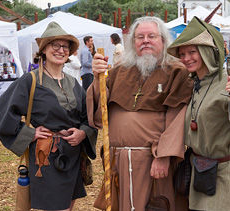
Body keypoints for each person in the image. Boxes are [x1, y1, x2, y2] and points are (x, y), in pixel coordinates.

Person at [87, 16, 193, 210]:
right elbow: (99, 108)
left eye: (151, 36)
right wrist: (96, 79)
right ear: (132, 42)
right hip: (118, 161)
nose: (145, 41)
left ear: (163, 40)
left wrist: (163, 156)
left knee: (155, 205)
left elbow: (177, 118)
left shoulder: (176, 71)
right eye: (139, 37)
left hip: (153, 162)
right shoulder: (119, 70)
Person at [0, 22, 98, 211]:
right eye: (55, 45)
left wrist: (83, 133)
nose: (61, 50)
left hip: (72, 157)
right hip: (46, 157)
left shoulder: (73, 82)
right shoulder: (30, 80)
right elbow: (0, 113)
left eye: (65, 46)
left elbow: (87, 116)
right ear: (44, 49)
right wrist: (28, 133)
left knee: (68, 206)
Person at [167, 16, 230, 211]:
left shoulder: (229, 82)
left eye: (191, 52)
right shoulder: (193, 83)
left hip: (222, 173)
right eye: (182, 54)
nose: (186, 58)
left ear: (206, 52)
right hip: (196, 170)